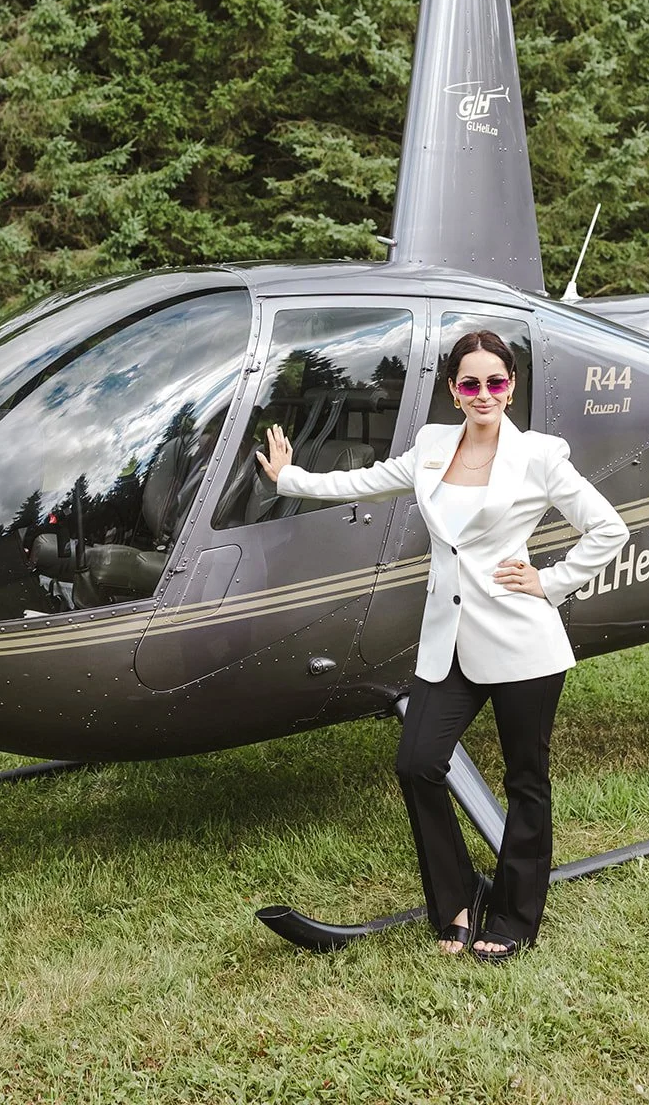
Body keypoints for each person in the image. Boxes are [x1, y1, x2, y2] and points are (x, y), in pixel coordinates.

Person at [257, 328, 629, 961]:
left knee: (526, 782)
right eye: (469, 382)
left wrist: (551, 582)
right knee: (417, 764)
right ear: (454, 391)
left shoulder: (539, 456)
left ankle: (514, 918)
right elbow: (366, 482)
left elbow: (607, 528)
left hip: (521, 643)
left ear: (511, 388)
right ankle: (457, 901)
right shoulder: (432, 446)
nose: (483, 393)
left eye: (496, 381)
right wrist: (292, 478)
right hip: (448, 643)